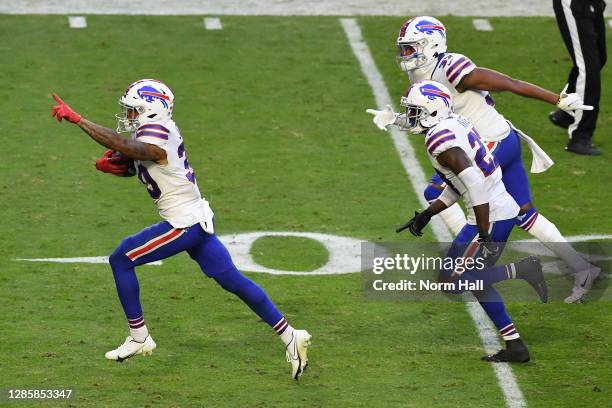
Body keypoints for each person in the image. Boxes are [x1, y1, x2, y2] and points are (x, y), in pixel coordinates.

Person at [50, 79, 311, 380]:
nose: (129, 116)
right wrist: (118, 167)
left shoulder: (157, 136)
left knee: (121, 258)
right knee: (232, 280)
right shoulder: (154, 133)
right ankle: (291, 335)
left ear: (151, 110)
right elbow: (140, 159)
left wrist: (79, 120)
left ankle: (139, 337)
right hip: (196, 219)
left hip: (182, 224)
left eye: (134, 110)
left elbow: (129, 147)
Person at [367, 16, 599, 303]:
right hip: (502, 139)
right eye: (404, 49)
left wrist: (556, 99)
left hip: (490, 145)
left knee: (439, 191)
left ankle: (468, 253)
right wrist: (396, 119)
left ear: (432, 44)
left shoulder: (451, 67)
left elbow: (508, 83)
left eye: (411, 49)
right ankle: (582, 268)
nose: (405, 55)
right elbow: (426, 113)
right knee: (525, 213)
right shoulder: (420, 74)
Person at [393, 80, 548, 362]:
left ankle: (524, 270)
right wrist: (429, 213)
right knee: (469, 280)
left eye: (415, 111)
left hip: (489, 216)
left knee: (454, 281)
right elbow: (460, 183)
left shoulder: (440, 141)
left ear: (432, 111)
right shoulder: (454, 124)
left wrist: (484, 232)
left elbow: (474, 184)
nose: (411, 117)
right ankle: (515, 345)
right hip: (492, 210)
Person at [551, 0, 606, 155]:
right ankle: (579, 136)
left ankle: (568, 112)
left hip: (592, 3)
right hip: (575, 5)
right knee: (588, 69)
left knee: (598, 59)